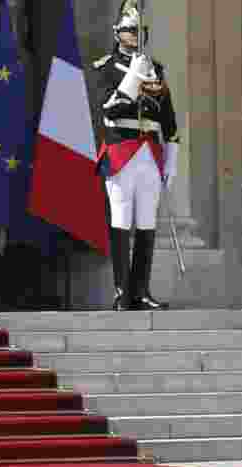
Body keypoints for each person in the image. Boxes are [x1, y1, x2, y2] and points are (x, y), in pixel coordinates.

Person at [94, 0, 179, 311]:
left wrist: (172, 161)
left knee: (146, 224)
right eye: (129, 30)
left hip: (149, 154)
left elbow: (169, 121)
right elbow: (109, 109)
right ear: (118, 33)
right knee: (120, 221)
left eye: (139, 30)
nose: (135, 35)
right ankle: (122, 292)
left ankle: (141, 291)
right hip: (120, 151)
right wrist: (133, 76)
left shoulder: (156, 69)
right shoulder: (106, 67)